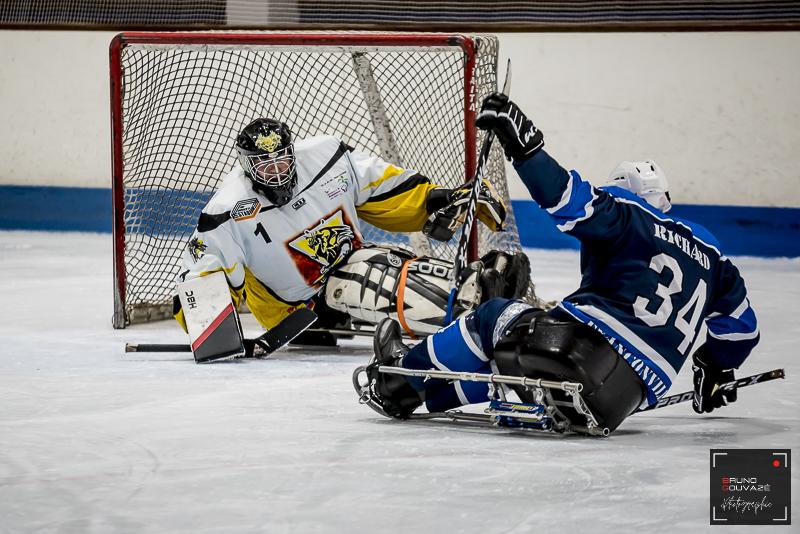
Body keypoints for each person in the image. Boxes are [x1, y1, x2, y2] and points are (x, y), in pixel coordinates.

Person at [363, 93, 760, 433]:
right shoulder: (715, 260)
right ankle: (422, 391)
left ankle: (397, 380)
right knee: (511, 356)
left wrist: (525, 147)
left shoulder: (628, 216)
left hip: (584, 351)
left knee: (492, 317)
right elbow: (742, 332)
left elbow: (564, 196)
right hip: (624, 398)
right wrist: (715, 368)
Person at [173, 118, 529, 348]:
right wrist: (210, 328)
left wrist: (437, 198)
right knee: (366, 277)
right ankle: (474, 312)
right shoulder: (228, 209)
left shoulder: (326, 157)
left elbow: (381, 187)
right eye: (265, 166)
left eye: (282, 159)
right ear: (247, 165)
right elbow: (205, 268)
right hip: (293, 308)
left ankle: (475, 284)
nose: (277, 173)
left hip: (348, 260)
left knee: (388, 261)